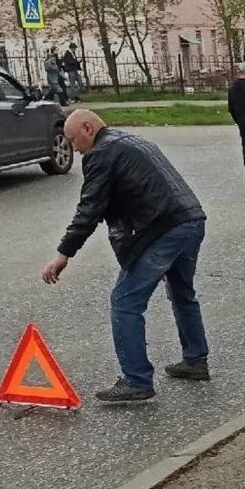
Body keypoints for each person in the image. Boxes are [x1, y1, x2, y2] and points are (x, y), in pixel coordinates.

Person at [40, 110, 210, 403]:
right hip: (190, 220)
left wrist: (64, 253)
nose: (73, 149)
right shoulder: (129, 140)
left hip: (163, 230)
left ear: (88, 127)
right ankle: (195, 360)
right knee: (182, 293)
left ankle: (136, 380)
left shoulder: (101, 153)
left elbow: (89, 209)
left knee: (125, 302)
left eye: (73, 140)